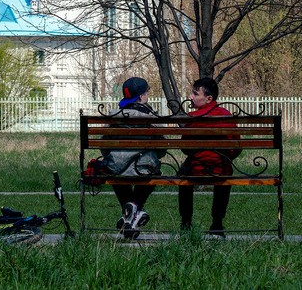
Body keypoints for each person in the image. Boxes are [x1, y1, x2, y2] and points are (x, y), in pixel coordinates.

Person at [101, 76, 163, 239]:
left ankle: (128, 215)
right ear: (141, 96)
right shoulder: (150, 117)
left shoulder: (113, 116)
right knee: (155, 173)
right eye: (147, 93)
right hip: (144, 167)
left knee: (116, 172)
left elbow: (104, 147)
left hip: (116, 168)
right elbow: (162, 148)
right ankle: (134, 209)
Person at [178, 77, 240, 237]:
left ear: (208, 98)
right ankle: (217, 223)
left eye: (194, 94)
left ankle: (186, 223)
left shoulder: (193, 118)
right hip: (221, 168)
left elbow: (184, 148)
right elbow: (237, 146)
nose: (191, 97)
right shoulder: (226, 116)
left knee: (182, 174)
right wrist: (225, 157)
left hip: (195, 169)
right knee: (225, 173)